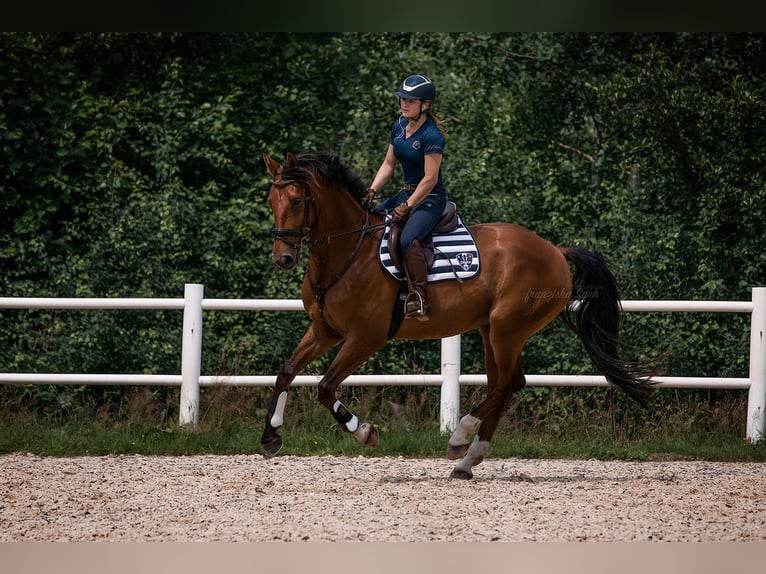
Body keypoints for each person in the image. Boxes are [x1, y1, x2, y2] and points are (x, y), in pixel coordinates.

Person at [365, 74, 448, 321]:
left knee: (407, 238)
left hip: (430, 198)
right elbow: (388, 164)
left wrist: (408, 206)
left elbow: (430, 179)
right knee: (371, 221)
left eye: (410, 101)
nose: (404, 104)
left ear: (426, 105)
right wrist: (372, 191)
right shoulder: (399, 126)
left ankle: (419, 296)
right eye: (403, 99)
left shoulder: (432, 136)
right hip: (406, 192)